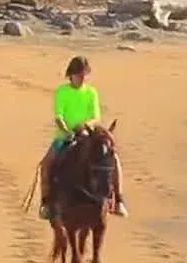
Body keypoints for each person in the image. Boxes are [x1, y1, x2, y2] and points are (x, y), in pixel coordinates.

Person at [41, 56, 127, 221]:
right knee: (46, 164)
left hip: (88, 133)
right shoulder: (62, 92)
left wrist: (85, 126)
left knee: (113, 158)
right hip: (64, 135)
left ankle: (119, 200)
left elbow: (96, 117)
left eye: (84, 75)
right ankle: (46, 203)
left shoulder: (91, 92)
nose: (82, 78)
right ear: (71, 74)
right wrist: (67, 131)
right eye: (79, 74)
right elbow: (58, 116)